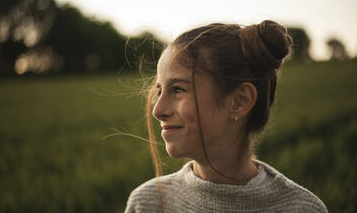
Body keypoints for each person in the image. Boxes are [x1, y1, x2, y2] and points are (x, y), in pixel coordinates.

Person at [125, 20, 328, 213]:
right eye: (159, 91)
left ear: (240, 101)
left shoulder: (302, 209)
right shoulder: (146, 204)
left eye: (178, 89)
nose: (157, 110)